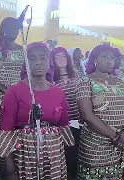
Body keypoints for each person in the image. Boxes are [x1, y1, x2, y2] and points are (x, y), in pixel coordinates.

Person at [0, 42, 69, 180]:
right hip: (25, 155)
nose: (38, 63)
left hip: (53, 157)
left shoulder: (58, 92)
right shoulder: (14, 91)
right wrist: (11, 171)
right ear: (26, 63)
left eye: (43, 58)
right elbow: (6, 130)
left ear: (49, 62)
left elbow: (63, 125)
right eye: (32, 58)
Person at [76, 44, 124, 179]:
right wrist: (114, 136)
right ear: (94, 60)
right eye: (104, 57)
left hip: (118, 143)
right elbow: (87, 115)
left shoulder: (119, 82)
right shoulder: (85, 81)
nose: (109, 61)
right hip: (94, 145)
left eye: (112, 58)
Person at [0, 17, 24, 179]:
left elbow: (25, 74)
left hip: (19, 100)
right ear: (4, 29)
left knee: (17, 135)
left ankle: (15, 171)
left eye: (17, 28)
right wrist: (8, 91)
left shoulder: (23, 50)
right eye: (11, 27)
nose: (14, 31)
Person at [51, 47, 78, 178]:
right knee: (68, 151)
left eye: (63, 56)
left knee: (79, 149)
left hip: (80, 120)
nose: (61, 59)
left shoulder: (76, 74)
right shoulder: (52, 80)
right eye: (57, 57)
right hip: (64, 122)